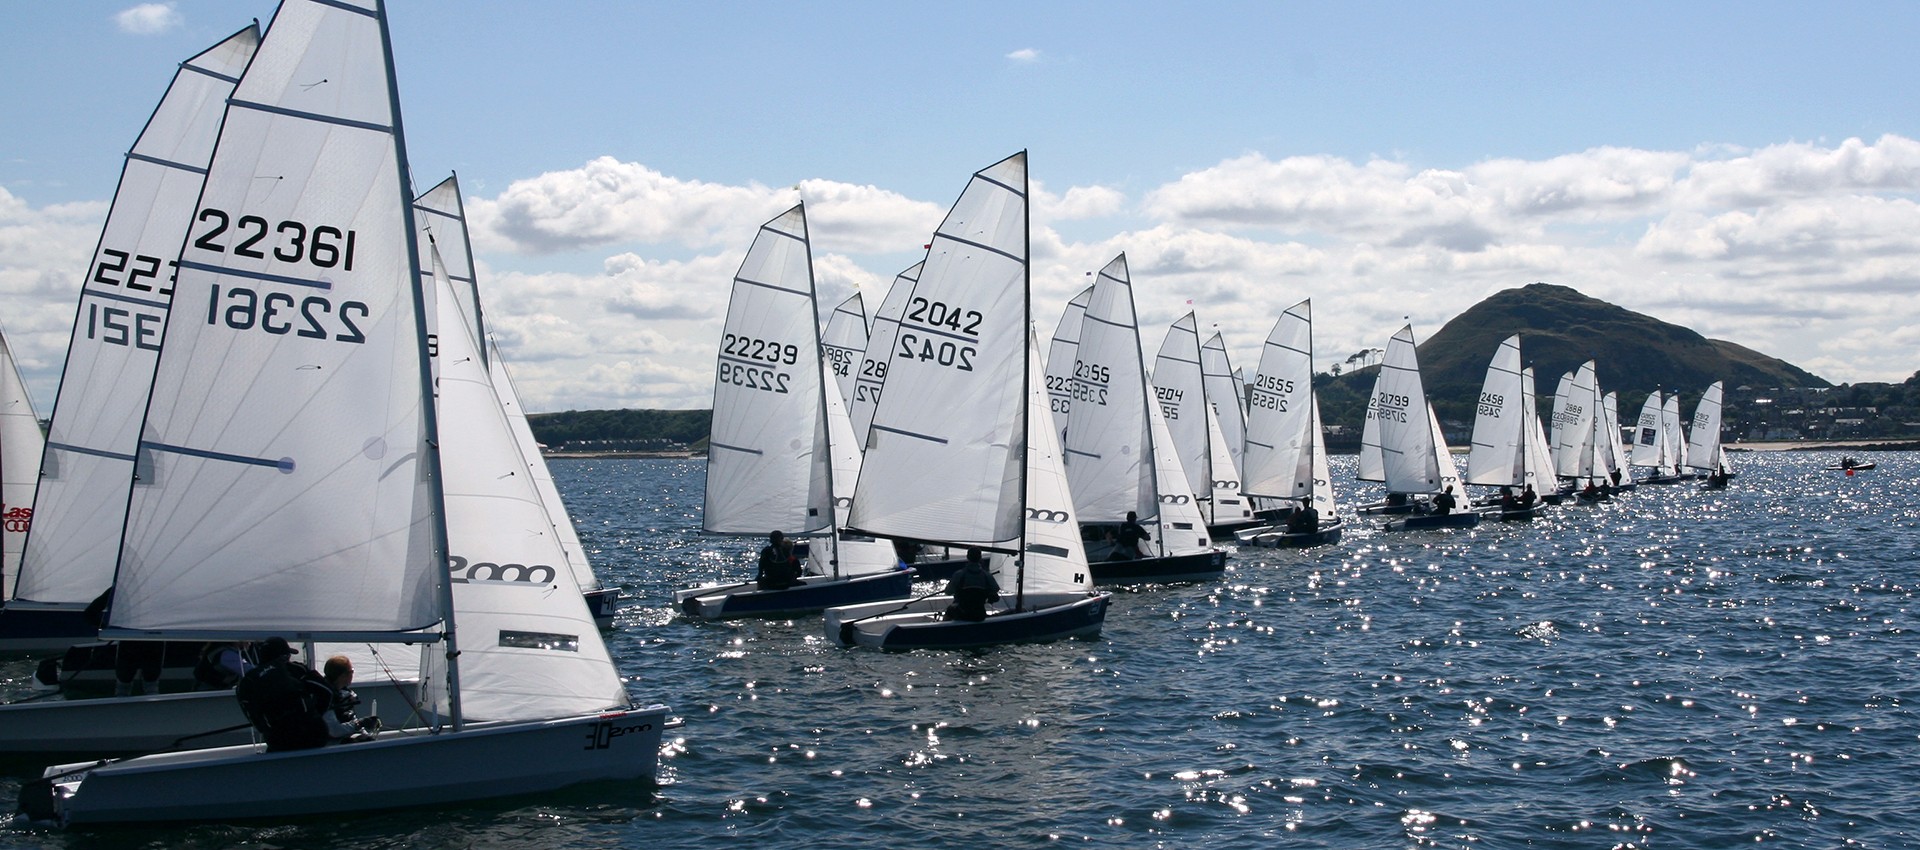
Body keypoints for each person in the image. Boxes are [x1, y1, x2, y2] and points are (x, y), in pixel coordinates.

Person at [233, 637, 334, 752]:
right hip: (312, 734)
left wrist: (269, 730)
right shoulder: (295, 669)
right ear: (284, 656)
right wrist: (315, 714)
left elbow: (252, 716)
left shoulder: (247, 682)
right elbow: (327, 691)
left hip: (279, 741)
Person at [85, 585, 163, 696]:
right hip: (148, 642)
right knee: (148, 684)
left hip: (133, 642)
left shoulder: (121, 589)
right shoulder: (160, 589)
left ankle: (124, 699)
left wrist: (107, 627)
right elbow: (89, 613)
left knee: (126, 684)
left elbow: (89, 613)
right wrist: (107, 627)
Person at [320, 654, 380, 741]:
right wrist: (359, 723)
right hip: (330, 744)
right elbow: (333, 730)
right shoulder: (325, 697)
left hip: (343, 738)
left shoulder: (345, 694)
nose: (353, 675)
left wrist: (365, 732)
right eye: (352, 671)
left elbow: (351, 720)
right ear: (343, 676)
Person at [943, 548, 1000, 622]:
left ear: (967, 557)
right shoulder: (987, 575)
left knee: (950, 609)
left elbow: (948, 592)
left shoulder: (959, 575)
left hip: (961, 613)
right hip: (979, 614)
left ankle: (944, 627)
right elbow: (995, 590)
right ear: (980, 558)